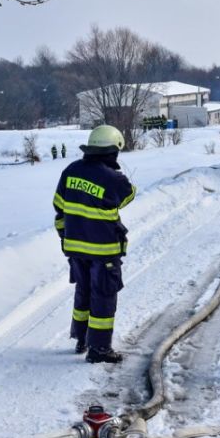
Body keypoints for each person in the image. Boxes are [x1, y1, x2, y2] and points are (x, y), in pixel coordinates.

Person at [53, 125, 136, 364]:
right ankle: (99, 350)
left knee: (84, 290)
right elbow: (128, 195)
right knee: (103, 296)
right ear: (113, 151)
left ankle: (81, 338)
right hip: (104, 251)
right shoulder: (113, 178)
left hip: (76, 249)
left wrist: (64, 238)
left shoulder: (70, 171)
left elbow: (59, 207)